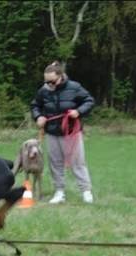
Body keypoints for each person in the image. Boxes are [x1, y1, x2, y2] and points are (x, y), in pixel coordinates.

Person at [31, 61, 95, 204]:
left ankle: (86, 191)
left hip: (71, 132)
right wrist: (38, 116)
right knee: (55, 163)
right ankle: (59, 192)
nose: (49, 84)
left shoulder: (74, 87)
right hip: (52, 132)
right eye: (46, 81)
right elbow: (35, 105)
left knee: (77, 162)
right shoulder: (44, 90)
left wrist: (78, 111)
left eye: (52, 81)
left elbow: (89, 101)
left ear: (60, 76)